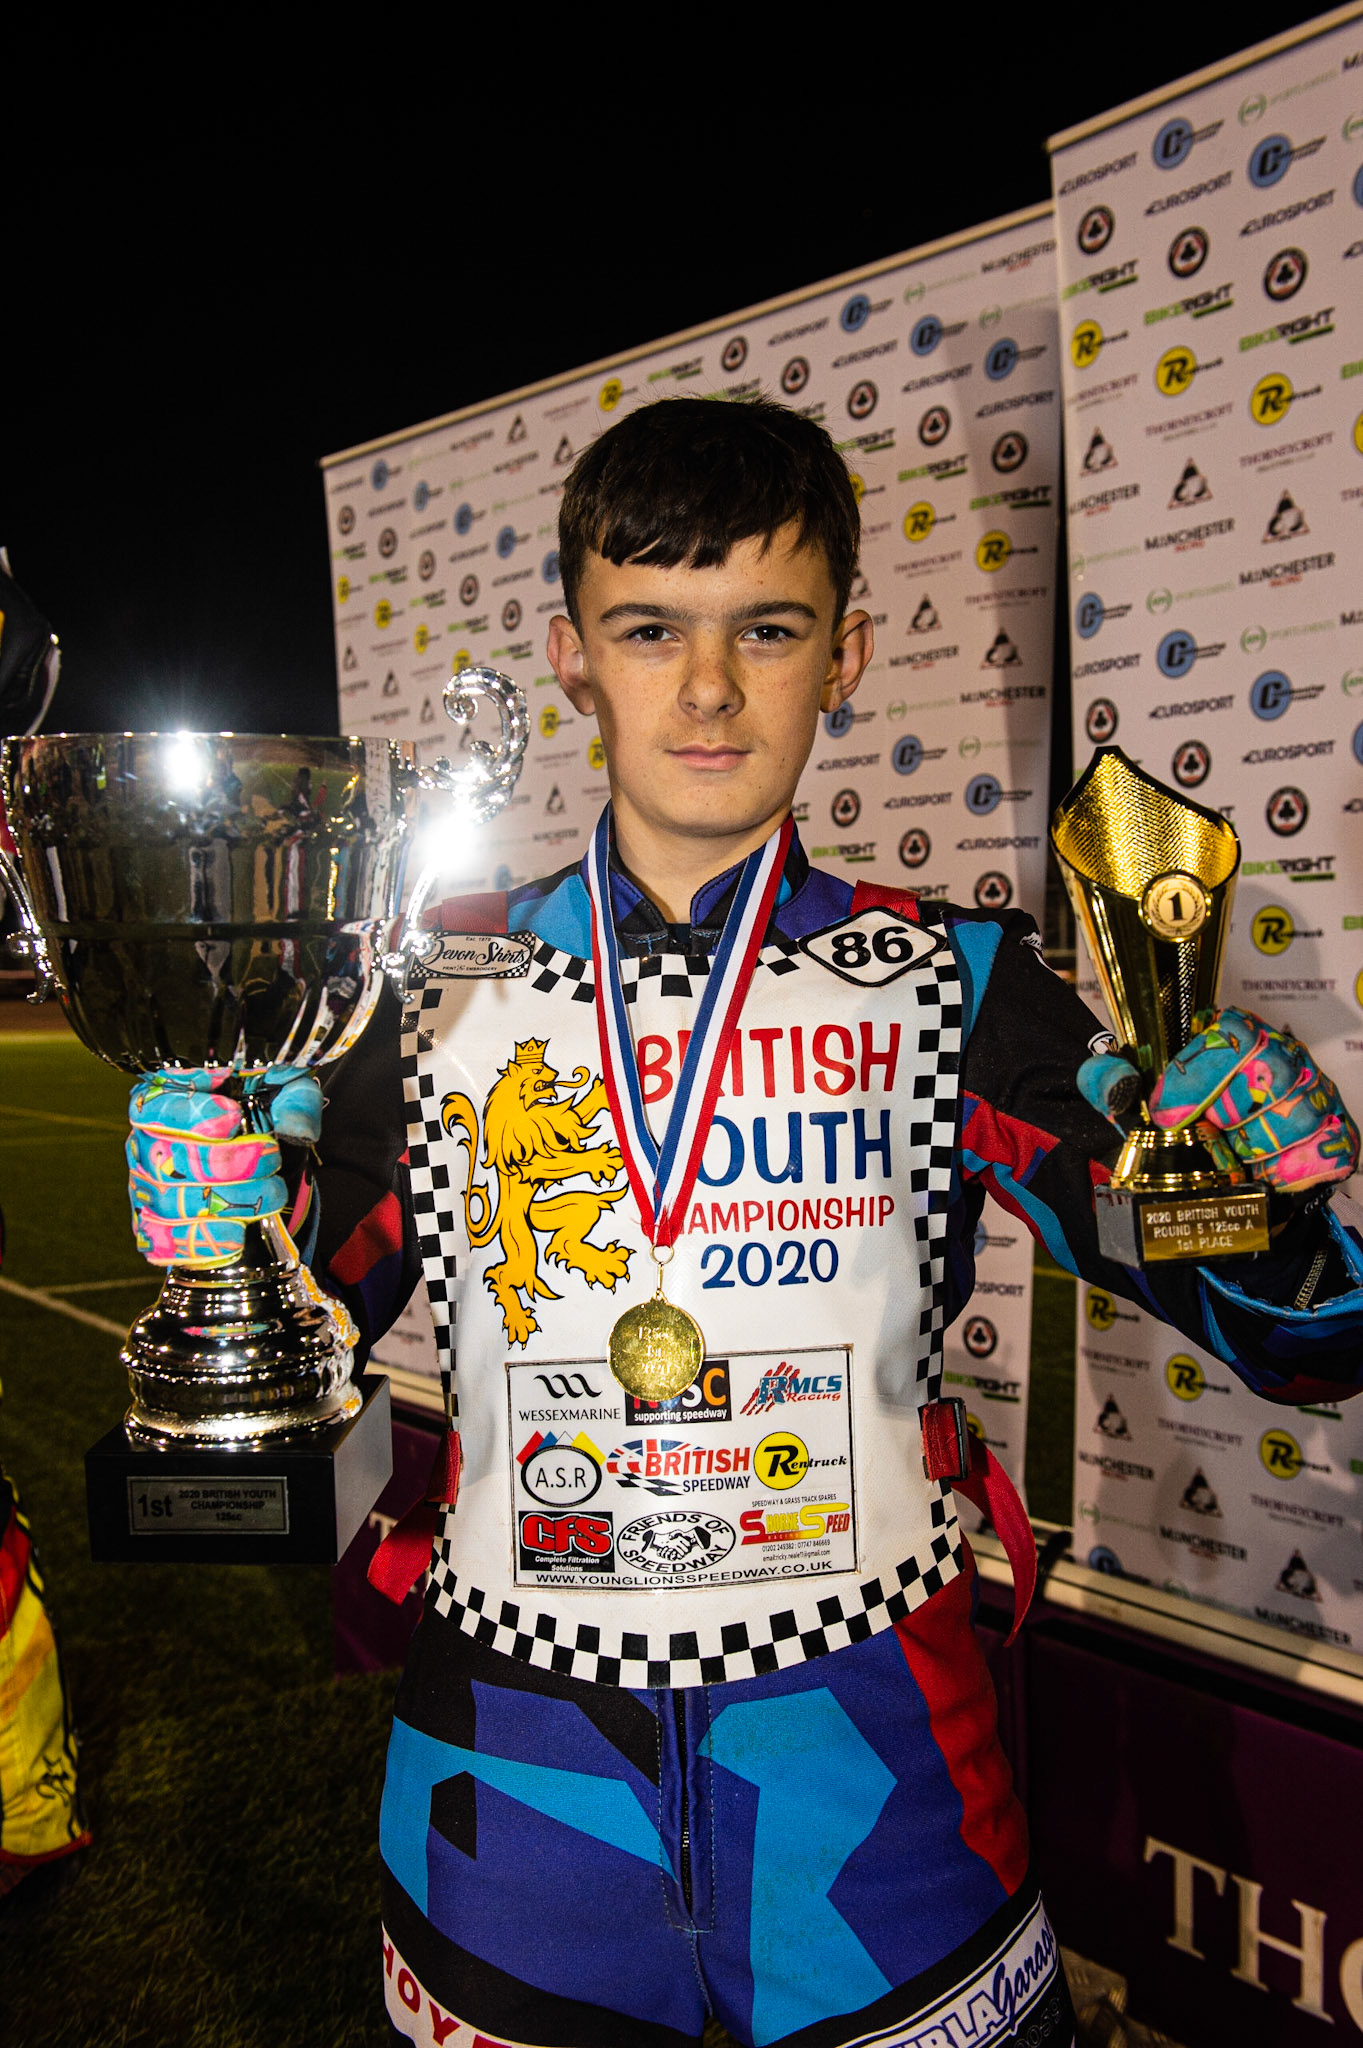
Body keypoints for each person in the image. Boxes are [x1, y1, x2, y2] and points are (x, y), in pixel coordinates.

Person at [127, 398, 1363, 2048]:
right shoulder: (434, 990)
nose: (707, 691)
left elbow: (1305, 1344)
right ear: (573, 655)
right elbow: (300, 1337)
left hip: (882, 1781)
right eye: (652, 630)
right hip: (511, 1780)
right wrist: (225, 1230)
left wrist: (1274, 1202)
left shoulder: (954, 981)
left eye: (764, 630)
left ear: (843, 652)